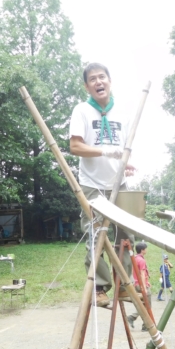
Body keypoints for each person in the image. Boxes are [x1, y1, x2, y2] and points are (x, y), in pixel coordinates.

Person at [70, 62, 136, 307]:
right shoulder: (82, 111)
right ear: (87, 86)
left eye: (102, 77)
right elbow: (75, 146)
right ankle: (99, 286)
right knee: (95, 235)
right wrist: (106, 152)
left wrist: (126, 163)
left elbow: (124, 149)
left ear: (109, 80)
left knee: (125, 235)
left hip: (119, 183)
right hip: (92, 185)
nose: (98, 82)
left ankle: (125, 285)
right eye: (93, 79)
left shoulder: (123, 112)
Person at [127, 242, 151, 331]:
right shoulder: (141, 260)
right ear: (142, 250)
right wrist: (144, 286)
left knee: (143, 305)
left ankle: (133, 318)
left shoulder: (134, 258)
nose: (146, 250)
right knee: (147, 306)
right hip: (141, 285)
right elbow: (142, 273)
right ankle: (145, 325)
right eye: (146, 248)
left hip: (135, 284)